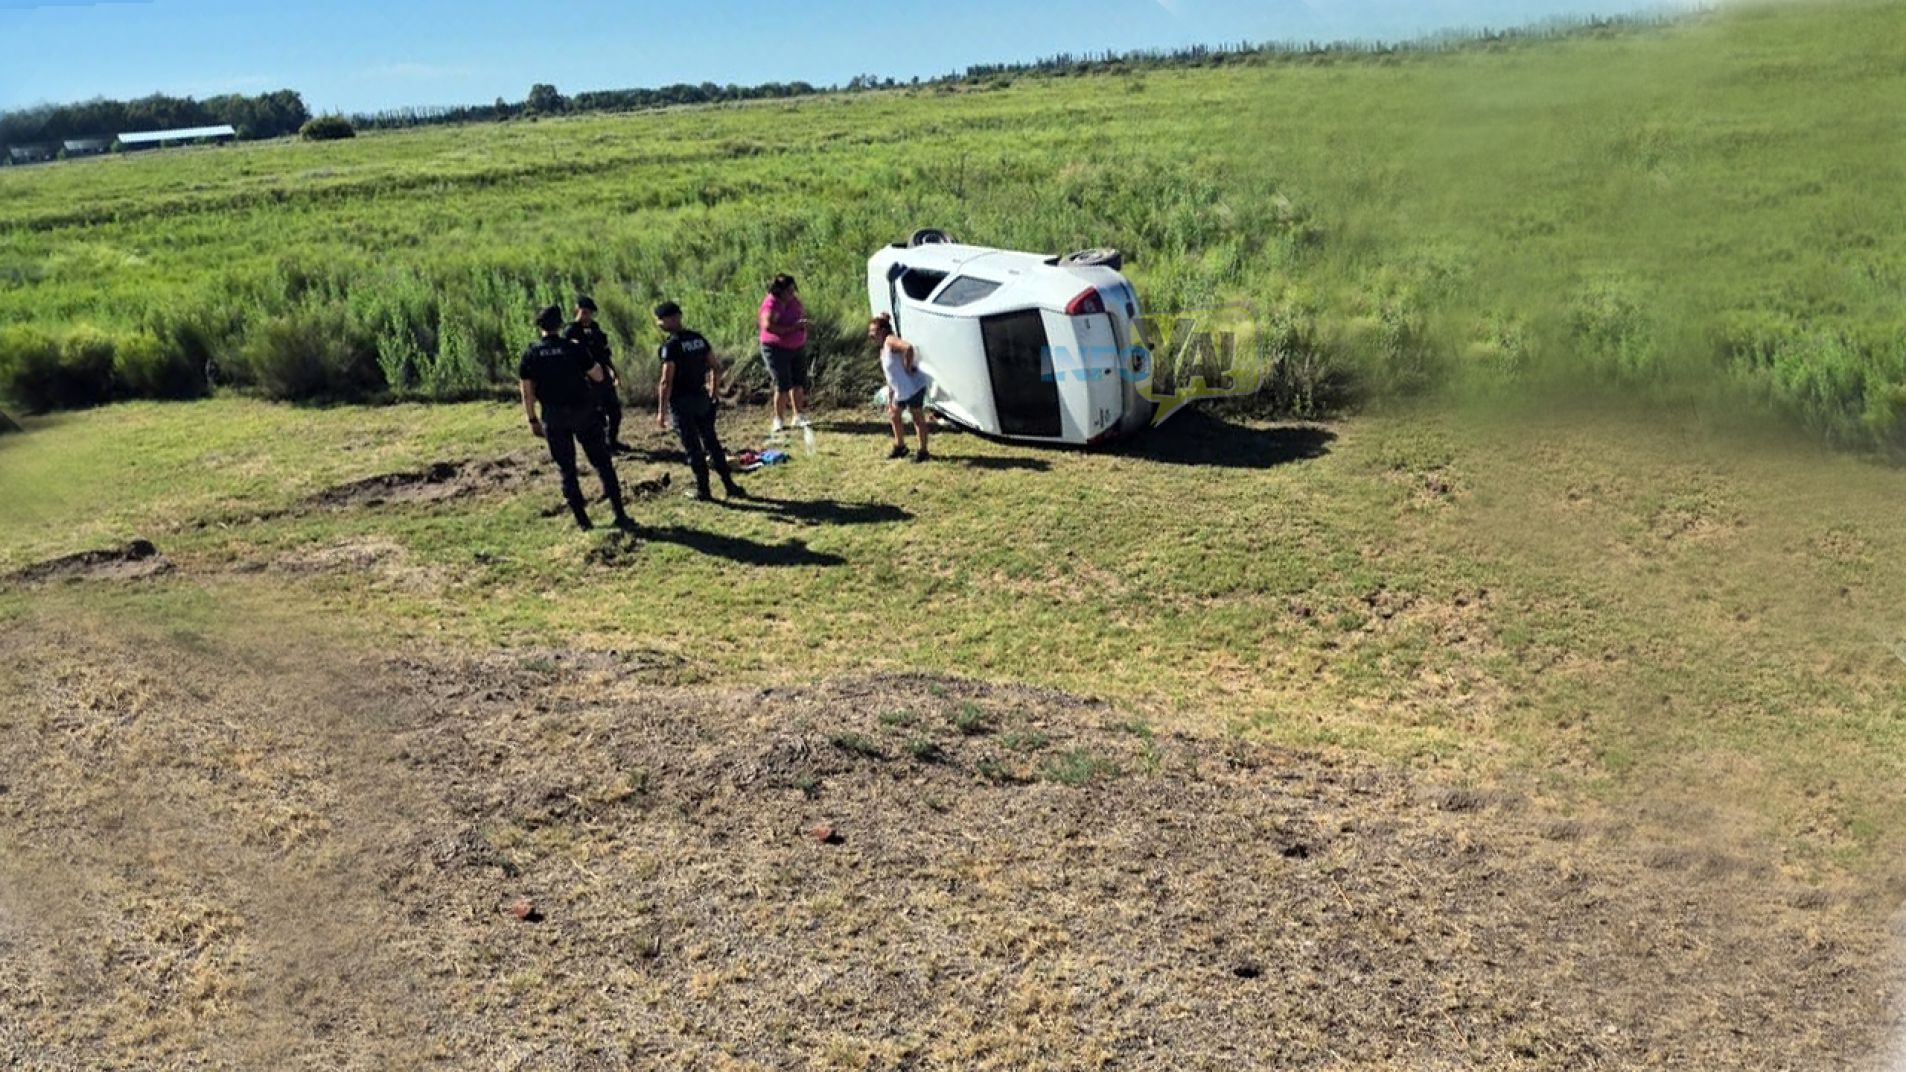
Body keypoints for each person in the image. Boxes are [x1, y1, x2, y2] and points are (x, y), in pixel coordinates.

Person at [519, 304, 635, 532]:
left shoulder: (531, 353)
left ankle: (583, 521)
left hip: (554, 416)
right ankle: (619, 513)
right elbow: (598, 374)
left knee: (567, 469)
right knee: (602, 463)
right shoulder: (573, 348)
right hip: (584, 412)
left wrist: (532, 419)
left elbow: (527, 391)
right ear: (560, 324)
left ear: (539, 326)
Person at [655, 301, 745, 501]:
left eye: (660, 319)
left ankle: (703, 490)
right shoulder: (698, 339)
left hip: (682, 403)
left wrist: (661, 412)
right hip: (701, 399)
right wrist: (713, 392)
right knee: (712, 443)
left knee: (693, 448)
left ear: (670, 319)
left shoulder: (670, 346)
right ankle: (729, 485)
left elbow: (665, 381)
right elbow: (716, 366)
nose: (658, 324)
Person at [563, 295, 630, 454]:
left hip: (603, 376)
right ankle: (603, 447)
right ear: (577, 310)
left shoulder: (595, 328)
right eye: (584, 312)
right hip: (586, 380)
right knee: (596, 415)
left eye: (589, 313)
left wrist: (613, 370)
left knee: (615, 412)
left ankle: (612, 441)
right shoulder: (571, 331)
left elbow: (604, 353)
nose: (587, 316)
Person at [871, 313, 930, 462]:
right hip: (900, 390)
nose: (871, 336)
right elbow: (889, 377)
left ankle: (923, 451)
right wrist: (890, 399)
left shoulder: (890, 341)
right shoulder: (882, 349)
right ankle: (900, 446)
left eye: (874, 332)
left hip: (913, 387)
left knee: (917, 417)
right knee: (894, 415)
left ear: (883, 331)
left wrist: (908, 367)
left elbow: (908, 348)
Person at [758, 273, 811, 434]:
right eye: (789, 291)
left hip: (797, 346)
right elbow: (768, 326)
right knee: (782, 384)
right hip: (775, 348)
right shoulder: (771, 304)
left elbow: (799, 315)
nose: (792, 293)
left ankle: (798, 415)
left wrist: (802, 326)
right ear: (779, 291)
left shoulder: (794, 301)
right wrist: (791, 330)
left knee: (798, 382)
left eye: (793, 290)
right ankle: (778, 419)